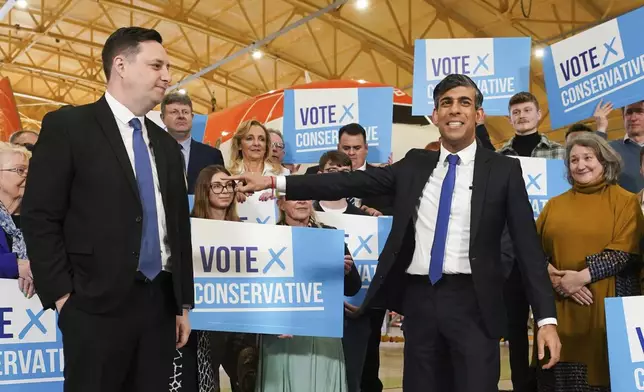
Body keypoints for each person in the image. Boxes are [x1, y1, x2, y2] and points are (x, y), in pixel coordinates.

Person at [228, 74, 562, 392]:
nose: (454, 109)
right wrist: (276, 181)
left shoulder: (504, 170)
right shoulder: (415, 164)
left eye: (464, 102)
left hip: (475, 302)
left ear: (479, 114)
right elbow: (349, 180)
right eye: (446, 103)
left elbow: (528, 248)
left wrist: (546, 319)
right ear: (435, 114)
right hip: (420, 301)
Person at [21, 27, 193, 392]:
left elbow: (178, 226)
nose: (167, 76)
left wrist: (183, 304)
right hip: (92, 305)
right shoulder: (69, 126)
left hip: (159, 304)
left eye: (168, 67)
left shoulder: (164, 143)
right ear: (121, 65)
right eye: (157, 65)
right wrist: (63, 297)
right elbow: (40, 215)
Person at [536, 133, 642, 391]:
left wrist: (579, 278)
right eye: (573, 160)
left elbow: (626, 251)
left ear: (604, 161)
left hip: (608, 314)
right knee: (562, 379)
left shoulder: (626, 201)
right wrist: (553, 276)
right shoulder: (553, 205)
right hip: (561, 311)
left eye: (587, 158)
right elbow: (531, 250)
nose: (580, 165)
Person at [496, 91, 566, 392]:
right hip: (510, 252)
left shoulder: (560, 154)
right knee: (513, 327)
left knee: (548, 320)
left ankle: (547, 382)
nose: (521, 116)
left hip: (548, 251)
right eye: (516, 112)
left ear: (538, 115)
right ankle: (520, 384)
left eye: (527, 110)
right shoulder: (498, 158)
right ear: (510, 118)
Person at [255, 197, 361, 392]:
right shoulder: (267, 237)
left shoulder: (329, 236)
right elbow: (258, 289)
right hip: (281, 334)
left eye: (306, 196)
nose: (302, 201)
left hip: (322, 333)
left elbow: (353, 288)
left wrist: (346, 272)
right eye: (294, 197)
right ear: (281, 204)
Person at [171, 165, 258, 392]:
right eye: (217, 186)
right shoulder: (187, 229)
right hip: (202, 325)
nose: (225, 191)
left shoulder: (245, 231)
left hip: (239, 323)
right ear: (204, 190)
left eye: (229, 185)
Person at [161, 92, 224, 194]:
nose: (181, 116)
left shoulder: (212, 156)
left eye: (185, 112)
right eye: (174, 112)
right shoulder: (152, 153)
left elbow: (220, 191)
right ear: (162, 118)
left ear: (192, 117)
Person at [0, 142, 34, 298]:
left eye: (31, 171)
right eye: (20, 170)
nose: (28, 176)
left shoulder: (43, 218)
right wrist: (15, 265)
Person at [594, 99, 644, 193]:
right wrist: (601, 128)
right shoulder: (610, 149)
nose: (633, 118)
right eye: (628, 113)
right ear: (623, 118)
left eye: (639, 111)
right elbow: (592, 167)